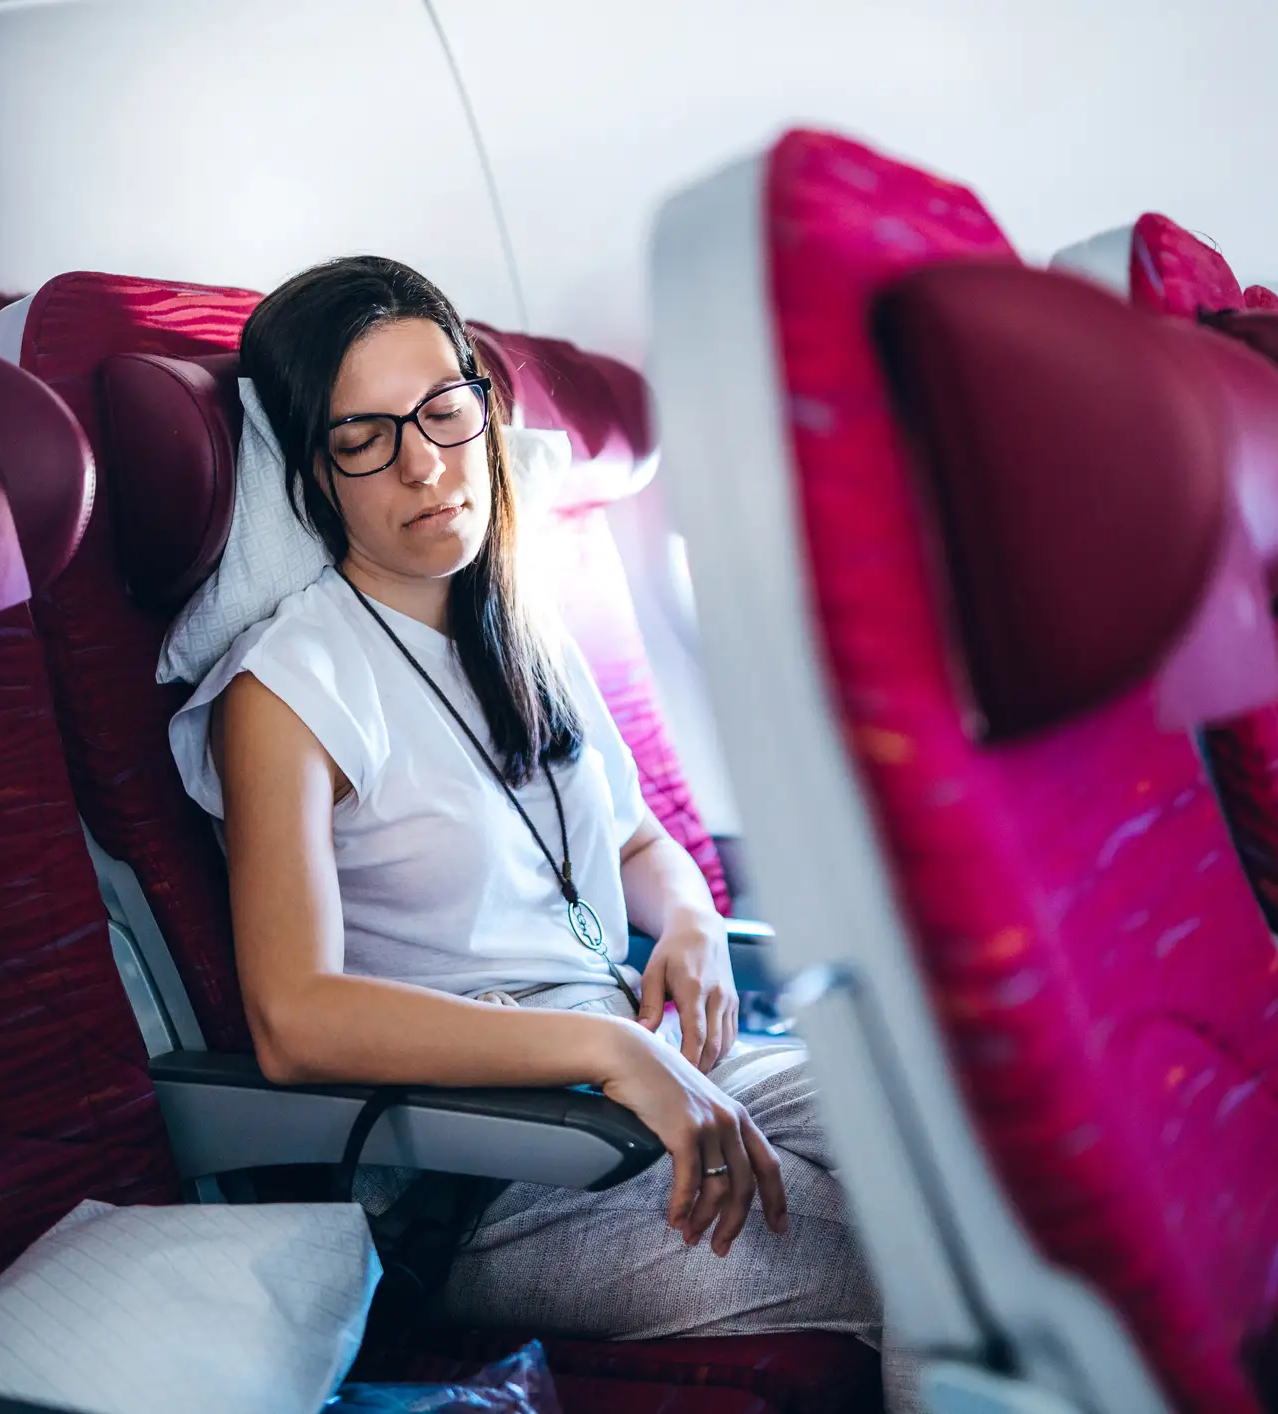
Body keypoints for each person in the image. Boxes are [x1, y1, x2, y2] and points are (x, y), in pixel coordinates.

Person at [167, 256, 902, 1399]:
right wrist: (607, 1047)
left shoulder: (517, 628)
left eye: (442, 413)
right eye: (364, 436)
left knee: (987, 1181)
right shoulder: (289, 687)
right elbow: (293, 1018)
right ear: (315, 470)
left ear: (480, 408)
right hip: (494, 1168)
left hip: (643, 1075)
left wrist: (697, 924)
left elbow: (629, 839)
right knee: (926, 1265)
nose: (423, 464)